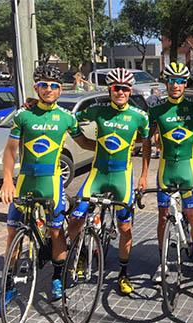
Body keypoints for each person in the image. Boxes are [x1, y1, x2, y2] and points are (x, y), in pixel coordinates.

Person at [0, 65, 95, 316]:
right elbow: (10, 151)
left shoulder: (67, 117)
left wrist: (110, 149)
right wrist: (7, 181)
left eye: (54, 85)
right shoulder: (23, 115)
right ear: (36, 88)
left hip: (52, 184)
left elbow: (83, 142)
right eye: (43, 85)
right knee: (12, 233)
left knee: (57, 231)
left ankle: (58, 278)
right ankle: (7, 288)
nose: (49, 89)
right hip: (26, 182)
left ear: (61, 90)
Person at [68, 68, 151, 296]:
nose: (121, 92)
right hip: (98, 174)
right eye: (117, 88)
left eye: (125, 88)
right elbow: (68, 119)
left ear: (130, 90)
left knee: (125, 227)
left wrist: (143, 175)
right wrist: (86, 143)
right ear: (110, 90)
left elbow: (146, 146)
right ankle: (82, 254)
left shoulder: (139, 116)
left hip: (122, 177)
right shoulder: (97, 110)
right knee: (75, 219)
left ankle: (123, 273)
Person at [148, 62, 193, 282]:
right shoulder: (156, 109)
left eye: (180, 81)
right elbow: (147, 140)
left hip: (187, 170)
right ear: (166, 83)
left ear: (186, 84)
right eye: (171, 80)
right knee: (163, 217)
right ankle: (162, 262)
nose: (176, 85)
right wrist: (144, 175)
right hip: (165, 170)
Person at [146, 88, 162, 159]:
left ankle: (151, 150)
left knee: (150, 136)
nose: (160, 94)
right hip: (155, 119)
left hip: (149, 119)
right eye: (159, 93)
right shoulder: (155, 99)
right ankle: (158, 151)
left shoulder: (147, 99)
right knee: (156, 135)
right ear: (156, 92)